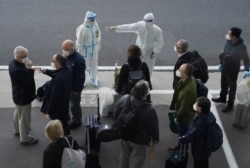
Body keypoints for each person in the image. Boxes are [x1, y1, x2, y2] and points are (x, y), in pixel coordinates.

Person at [115, 80, 159, 168]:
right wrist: (155, 138)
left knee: (124, 154)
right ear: (145, 93)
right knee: (138, 158)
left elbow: (116, 113)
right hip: (139, 139)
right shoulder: (149, 109)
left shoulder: (125, 98)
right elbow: (153, 126)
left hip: (124, 133)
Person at [211, 27, 250, 112]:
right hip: (225, 67)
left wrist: (247, 70)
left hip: (232, 70)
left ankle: (230, 104)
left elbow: (246, 60)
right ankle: (222, 97)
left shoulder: (241, 47)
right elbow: (225, 52)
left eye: (229, 34)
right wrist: (221, 62)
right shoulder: (228, 41)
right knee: (223, 83)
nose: (227, 35)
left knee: (232, 87)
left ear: (235, 36)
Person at [8, 46, 38, 145]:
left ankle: (18, 130)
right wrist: (30, 69)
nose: (26, 58)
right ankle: (25, 138)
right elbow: (28, 81)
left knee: (18, 113)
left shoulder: (12, 64)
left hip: (17, 95)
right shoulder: (19, 70)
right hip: (23, 97)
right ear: (18, 57)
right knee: (24, 117)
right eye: (24, 56)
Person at [41, 54, 72, 135]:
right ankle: (68, 138)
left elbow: (54, 97)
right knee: (64, 123)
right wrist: (45, 71)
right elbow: (57, 73)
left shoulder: (58, 80)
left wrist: (48, 111)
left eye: (53, 61)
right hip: (64, 103)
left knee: (55, 126)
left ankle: (57, 141)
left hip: (57, 109)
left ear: (58, 63)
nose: (52, 62)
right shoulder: (68, 69)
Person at [179, 97, 215, 168]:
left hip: (200, 149)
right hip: (205, 147)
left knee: (198, 164)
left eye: (196, 105)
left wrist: (182, 139)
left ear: (200, 109)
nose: (194, 105)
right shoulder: (207, 115)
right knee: (204, 163)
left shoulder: (201, 121)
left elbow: (193, 132)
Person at [168, 63, 197, 152]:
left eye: (180, 70)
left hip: (184, 117)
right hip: (182, 110)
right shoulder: (185, 80)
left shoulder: (189, 90)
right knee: (181, 134)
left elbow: (184, 108)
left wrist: (177, 117)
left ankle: (183, 152)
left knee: (183, 134)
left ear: (184, 74)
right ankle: (180, 146)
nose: (178, 71)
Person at [62, 39, 86, 129]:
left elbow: (81, 77)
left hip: (74, 88)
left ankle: (77, 121)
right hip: (67, 85)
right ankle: (67, 116)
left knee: (74, 105)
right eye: (63, 48)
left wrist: (77, 90)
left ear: (72, 48)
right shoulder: (67, 56)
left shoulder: (78, 60)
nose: (64, 51)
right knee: (66, 102)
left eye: (66, 49)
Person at [76, 11, 101, 87]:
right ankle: (82, 80)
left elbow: (98, 34)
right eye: (91, 19)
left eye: (93, 19)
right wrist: (80, 49)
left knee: (94, 64)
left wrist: (98, 44)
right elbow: (79, 40)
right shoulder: (82, 28)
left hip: (93, 49)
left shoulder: (95, 26)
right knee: (83, 65)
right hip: (85, 50)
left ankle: (93, 78)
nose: (93, 20)